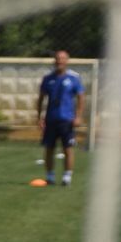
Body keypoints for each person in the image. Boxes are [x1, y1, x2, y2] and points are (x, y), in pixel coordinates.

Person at [36, 49, 84, 186]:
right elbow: (41, 98)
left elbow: (81, 98)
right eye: (57, 59)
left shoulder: (73, 78)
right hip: (51, 119)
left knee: (67, 148)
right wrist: (39, 117)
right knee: (49, 148)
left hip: (67, 120)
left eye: (62, 59)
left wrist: (78, 116)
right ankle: (50, 176)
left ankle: (67, 177)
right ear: (54, 61)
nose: (60, 61)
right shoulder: (48, 79)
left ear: (67, 61)